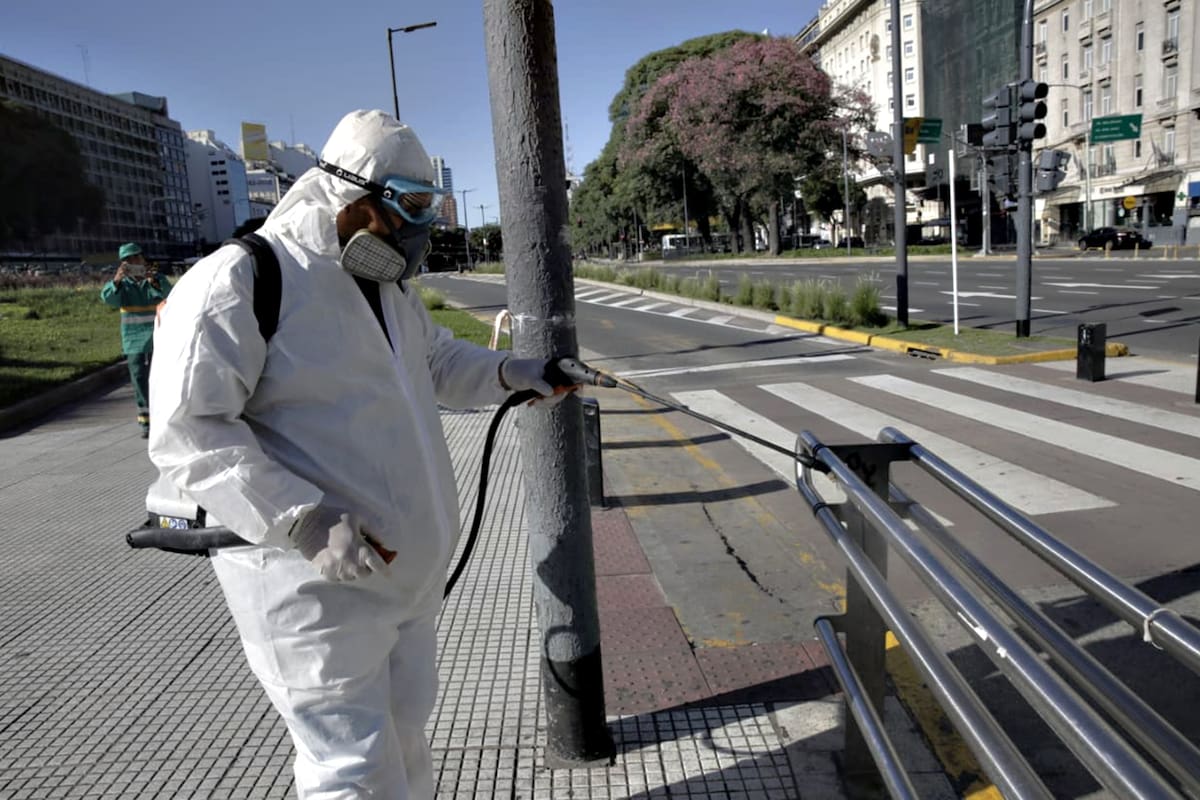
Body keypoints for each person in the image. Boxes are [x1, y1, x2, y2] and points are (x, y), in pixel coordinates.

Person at [147, 110, 572, 799]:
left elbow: (433, 361)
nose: (417, 229)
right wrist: (302, 520)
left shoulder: (383, 287)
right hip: (308, 585)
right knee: (351, 769)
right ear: (344, 194)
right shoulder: (242, 280)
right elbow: (187, 431)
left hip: (400, 581)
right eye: (407, 207)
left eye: (428, 208)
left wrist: (510, 372)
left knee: (405, 744)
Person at [100, 242, 171, 437]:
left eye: (136, 258)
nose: (133, 263)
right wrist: (116, 280)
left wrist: (153, 280)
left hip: (158, 336)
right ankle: (146, 422)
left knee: (161, 377)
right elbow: (109, 300)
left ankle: (165, 417)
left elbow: (168, 294)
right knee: (139, 378)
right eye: (128, 261)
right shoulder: (121, 285)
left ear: (143, 259)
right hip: (133, 339)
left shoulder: (156, 279)